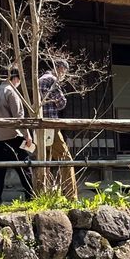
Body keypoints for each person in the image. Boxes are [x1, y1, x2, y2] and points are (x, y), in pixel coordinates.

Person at [0, 67, 35, 205]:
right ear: (15, 78)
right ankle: (31, 198)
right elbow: (19, 118)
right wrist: (27, 135)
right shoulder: (12, 92)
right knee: (25, 167)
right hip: (13, 137)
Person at [38, 59, 77, 199]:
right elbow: (61, 103)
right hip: (51, 125)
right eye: (64, 72)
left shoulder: (40, 79)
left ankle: (42, 195)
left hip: (39, 127)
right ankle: (72, 197)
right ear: (60, 68)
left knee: (43, 161)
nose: (64, 75)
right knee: (66, 159)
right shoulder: (52, 80)